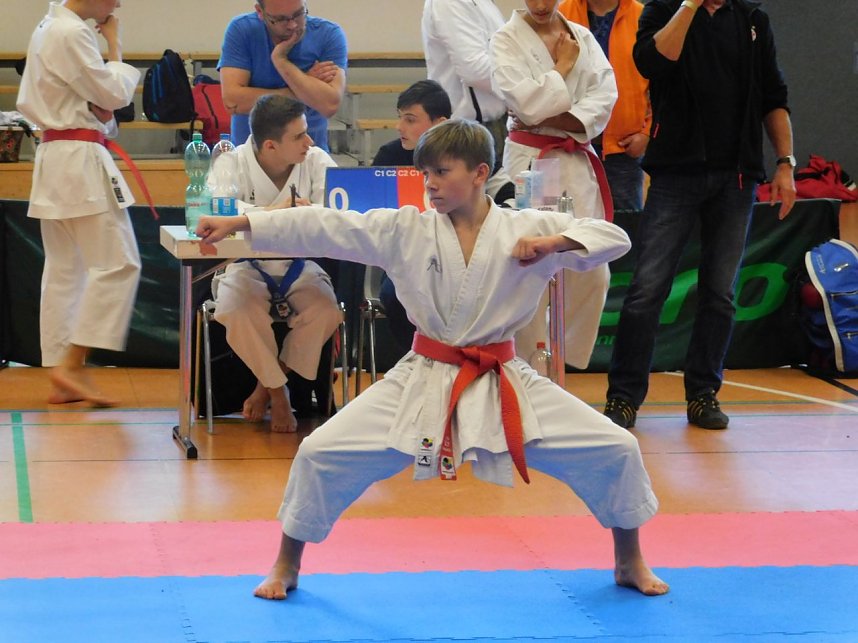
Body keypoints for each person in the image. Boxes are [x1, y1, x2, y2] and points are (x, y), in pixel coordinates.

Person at [195, 119, 670, 600]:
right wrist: (244, 223)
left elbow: (614, 236)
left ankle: (629, 560)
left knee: (616, 448)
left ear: (480, 173)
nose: (431, 184)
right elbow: (324, 224)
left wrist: (556, 244)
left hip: (502, 375)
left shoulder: (528, 227)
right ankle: (286, 564)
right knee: (320, 452)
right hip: (423, 376)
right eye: (426, 174)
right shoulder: (407, 228)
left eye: (442, 172)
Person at [604, 0, 797, 430]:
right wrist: (690, 4)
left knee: (720, 293)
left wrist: (785, 162)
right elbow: (652, 62)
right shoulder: (662, 10)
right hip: (675, 173)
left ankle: (703, 393)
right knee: (646, 290)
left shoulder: (752, 18)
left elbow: (774, 96)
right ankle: (623, 397)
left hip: (737, 177)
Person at [17, 0, 141, 407]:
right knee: (119, 263)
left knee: (65, 270)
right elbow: (114, 94)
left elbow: (103, 111)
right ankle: (70, 366)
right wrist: (115, 46)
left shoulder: (49, 28)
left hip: (57, 156)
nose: (117, 4)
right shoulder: (71, 32)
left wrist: (104, 102)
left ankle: (59, 371)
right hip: (78, 161)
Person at [490, 0, 618, 370]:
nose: (541, 4)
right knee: (530, 265)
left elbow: (604, 99)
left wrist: (552, 116)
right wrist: (562, 67)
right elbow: (527, 107)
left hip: (576, 162)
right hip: (532, 162)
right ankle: (530, 367)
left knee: (592, 268)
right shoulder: (506, 40)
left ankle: (565, 359)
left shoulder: (583, 38)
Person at [209, 94, 342, 433]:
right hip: (243, 264)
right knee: (235, 309)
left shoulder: (316, 159)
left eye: (307, 132)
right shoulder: (231, 162)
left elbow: (338, 210)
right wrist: (275, 213)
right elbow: (217, 210)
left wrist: (308, 211)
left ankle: (265, 387)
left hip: (299, 265)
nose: (309, 141)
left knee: (326, 311)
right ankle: (279, 393)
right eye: (299, 136)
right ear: (270, 145)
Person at [372, 80, 516, 352]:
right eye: (399, 118)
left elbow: (509, 195)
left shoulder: (470, 153)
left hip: (469, 253)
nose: (400, 127)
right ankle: (419, 356)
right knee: (394, 293)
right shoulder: (388, 155)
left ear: (439, 123)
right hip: (409, 254)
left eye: (410, 120)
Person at [559, 0, 651, 211]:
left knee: (624, 224)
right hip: (570, 145)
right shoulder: (562, 14)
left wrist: (647, 133)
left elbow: (661, 81)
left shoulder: (642, 16)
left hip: (623, 150)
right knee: (572, 221)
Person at [219, 0, 347, 151]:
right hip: (252, 154)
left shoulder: (328, 34)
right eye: (280, 19)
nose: (292, 25)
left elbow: (329, 105)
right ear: (260, 12)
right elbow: (232, 101)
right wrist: (304, 88)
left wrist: (281, 61)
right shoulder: (242, 30)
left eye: (299, 14)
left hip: (309, 153)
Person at [422, 0, 508, 166]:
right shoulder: (449, 3)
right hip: (463, 130)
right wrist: (522, 90)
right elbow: (474, 69)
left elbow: (503, 58)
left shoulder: (486, 4)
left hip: (494, 123)